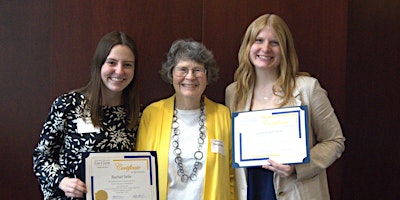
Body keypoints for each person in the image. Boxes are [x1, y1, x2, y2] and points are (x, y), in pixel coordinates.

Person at [225, 14, 345, 200]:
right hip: (252, 190)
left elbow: (335, 141)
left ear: (285, 50)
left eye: (275, 42)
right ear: (248, 46)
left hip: (295, 191)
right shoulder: (234, 93)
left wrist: (299, 167)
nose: (265, 48)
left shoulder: (307, 88)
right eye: (259, 40)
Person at [33, 31, 140, 199]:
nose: (119, 71)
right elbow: (41, 156)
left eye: (127, 65)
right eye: (112, 62)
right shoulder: (68, 105)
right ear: (99, 65)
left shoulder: (137, 113)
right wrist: (63, 181)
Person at [135, 39, 235, 200]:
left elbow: (232, 176)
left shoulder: (223, 115)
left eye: (197, 70)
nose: (190, 76)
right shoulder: (152, 114)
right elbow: (140, 171)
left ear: (207, 76)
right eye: (183, 69)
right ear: (171, 74)